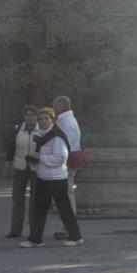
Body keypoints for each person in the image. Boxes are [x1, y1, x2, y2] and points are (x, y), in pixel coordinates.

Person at [20, 107, 83, 248]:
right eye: (41, 119)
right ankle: (35, 239)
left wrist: (40, 157)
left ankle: (75, 236)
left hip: (57, 179)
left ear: (52, 120)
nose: (42, 121)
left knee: (64, 209)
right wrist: (35, 161)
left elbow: (60, 158)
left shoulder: (57, 136)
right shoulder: (43, 135)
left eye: (46, 119)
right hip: (44, 178)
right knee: (39, 210)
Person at [3, 105, 40, 238]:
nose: (30, 117)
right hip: (20, 167)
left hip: (36, 169)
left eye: (32, 115)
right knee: (17, 199)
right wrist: (6, 168)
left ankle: (34, 230)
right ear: (24, 117)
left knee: (35, 200)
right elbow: (11, 149)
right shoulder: (18, 130)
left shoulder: (41, 130)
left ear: (36, 117)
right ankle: (15, 230)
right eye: (27, 115)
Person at [51, 95, 82, 239]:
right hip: (67, 161)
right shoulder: (67, 120)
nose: (53, 108)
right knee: (66, 194)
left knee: (68, 194)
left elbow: (66, 145)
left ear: (62, 107)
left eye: (55, 105)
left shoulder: (66, 122)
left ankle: (69, 227)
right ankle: (67, 226)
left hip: (66, 163)